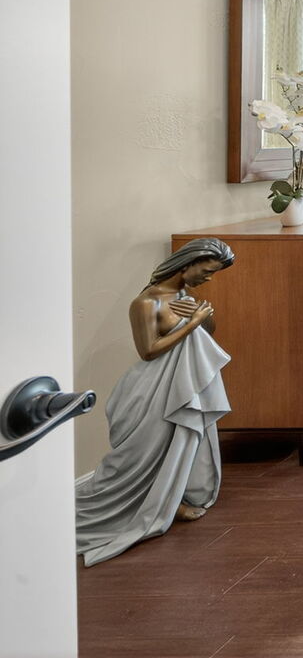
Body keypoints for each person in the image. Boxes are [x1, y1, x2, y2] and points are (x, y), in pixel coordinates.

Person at [75, 238, 235, 566]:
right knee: (142, 453)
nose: (208, 279)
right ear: (188, 264)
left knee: (175, 446)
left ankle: (169, 502)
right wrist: (193, 322)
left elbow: (205, 334)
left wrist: (204, 316)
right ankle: (132, 505)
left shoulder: (183, 296)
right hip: (149, 391)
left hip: (179, 385)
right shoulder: (145, 303)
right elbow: (148, 351)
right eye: (206, 272)